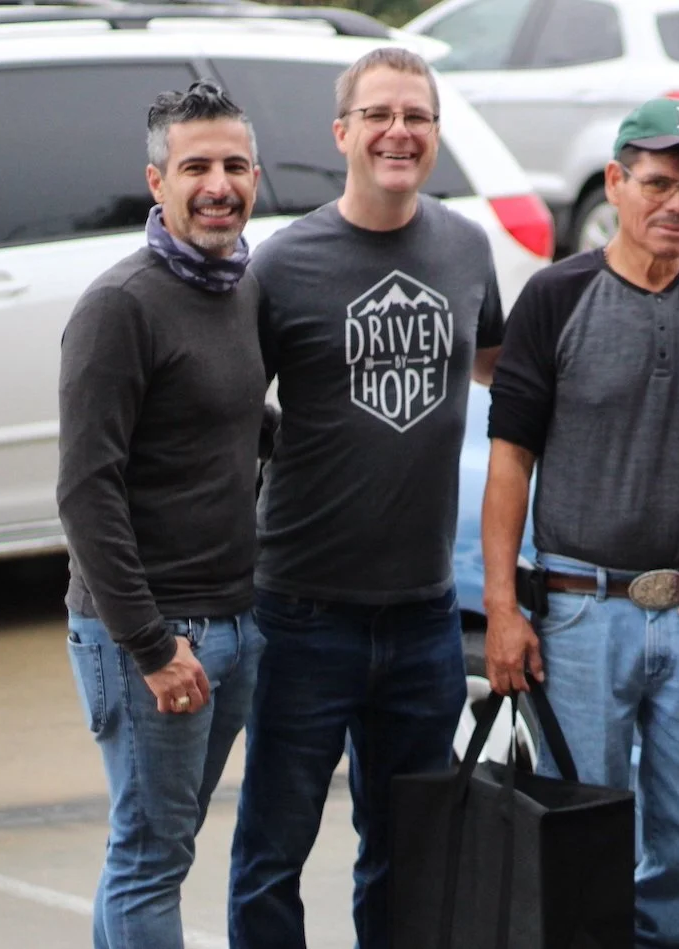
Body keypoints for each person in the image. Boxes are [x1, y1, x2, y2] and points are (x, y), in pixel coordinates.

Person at [481, 98, 679, 949]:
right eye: (658, 183)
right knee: (582, 826)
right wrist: (503, 607)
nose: (678, 204)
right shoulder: (555, 295)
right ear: (615, 182)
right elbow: (510, 457)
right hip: (580, 613)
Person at [227, 47, 506, 949]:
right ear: (341, 133)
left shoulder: (465, 247)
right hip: (304, 610)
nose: (398, 132)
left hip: (424, 614)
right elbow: (226, 402)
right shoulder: (283, 263)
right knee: (272, 849)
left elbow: (497, 368)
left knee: (406, 850)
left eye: (416, 116)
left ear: (435, 134)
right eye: (379, 114)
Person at [57, 80, 267, 949]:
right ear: (156, 181)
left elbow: (234, 421)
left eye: (234, 166)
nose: (218, 185)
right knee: (150, 856)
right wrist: (150, 645)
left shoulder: (238, 284)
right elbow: (85, 489)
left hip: (232, 617)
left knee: (153, 848)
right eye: (195, 167)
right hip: (151, 633)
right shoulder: (121, 306)